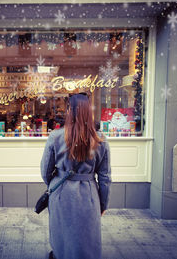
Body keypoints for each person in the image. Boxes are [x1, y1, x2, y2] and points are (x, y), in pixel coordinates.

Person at [40, 93, 111, 259]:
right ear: (89, 111)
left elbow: (45, 170)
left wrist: (55, 183)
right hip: (89, 194)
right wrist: (103, 203)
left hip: (61, 192)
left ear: (69, 111)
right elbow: (105, 178)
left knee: (61, 233)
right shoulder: (100, 140)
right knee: (87, 237)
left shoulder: (56, 137)